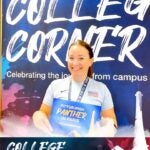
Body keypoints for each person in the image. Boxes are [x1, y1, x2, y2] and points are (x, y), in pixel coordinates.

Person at [32, 40, 117, 137]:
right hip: (58, 144)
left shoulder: (101, 89)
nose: (75, 63)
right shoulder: (55, 85)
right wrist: (37, 115)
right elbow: (43, 112)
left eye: (81, 58)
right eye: (71, 58)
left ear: (90, 61)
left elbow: (112, 122)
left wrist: (103, 131)